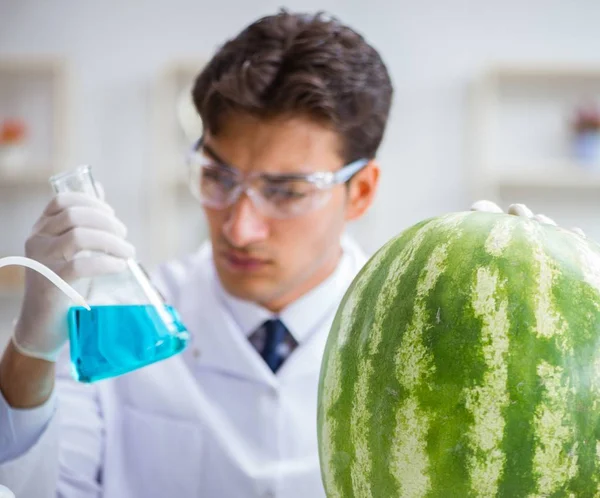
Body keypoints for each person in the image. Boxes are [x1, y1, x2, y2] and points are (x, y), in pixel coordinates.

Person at [0, 10, 393, 498]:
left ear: (360, 191)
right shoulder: (125, 322)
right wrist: (29, 354)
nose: (239, 228)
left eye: (288, 191)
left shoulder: (407, 337)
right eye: (218, 178)